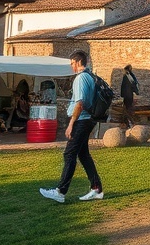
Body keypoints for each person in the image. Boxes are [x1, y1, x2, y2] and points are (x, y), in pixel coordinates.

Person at [39, 51, 103, 203]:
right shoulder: (90, 77)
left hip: (81, 120)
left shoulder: (81, 79)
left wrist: (71, 124)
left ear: (78, 62)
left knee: (69, 154)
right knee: (83, 155)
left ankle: (60, 191)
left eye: (72, 63)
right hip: (88, 120)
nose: (71, 66)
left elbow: (80, 103)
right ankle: (96, 188)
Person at [120, 64, 139, 128]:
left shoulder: (128, 76)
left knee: (127, 108)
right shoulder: (129, 76)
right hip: (128, 95)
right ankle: (127, 121)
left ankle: (127, 122)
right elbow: (133, 84)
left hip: (127, 95)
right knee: (127, 108)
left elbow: (131, 84)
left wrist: (122, 94)